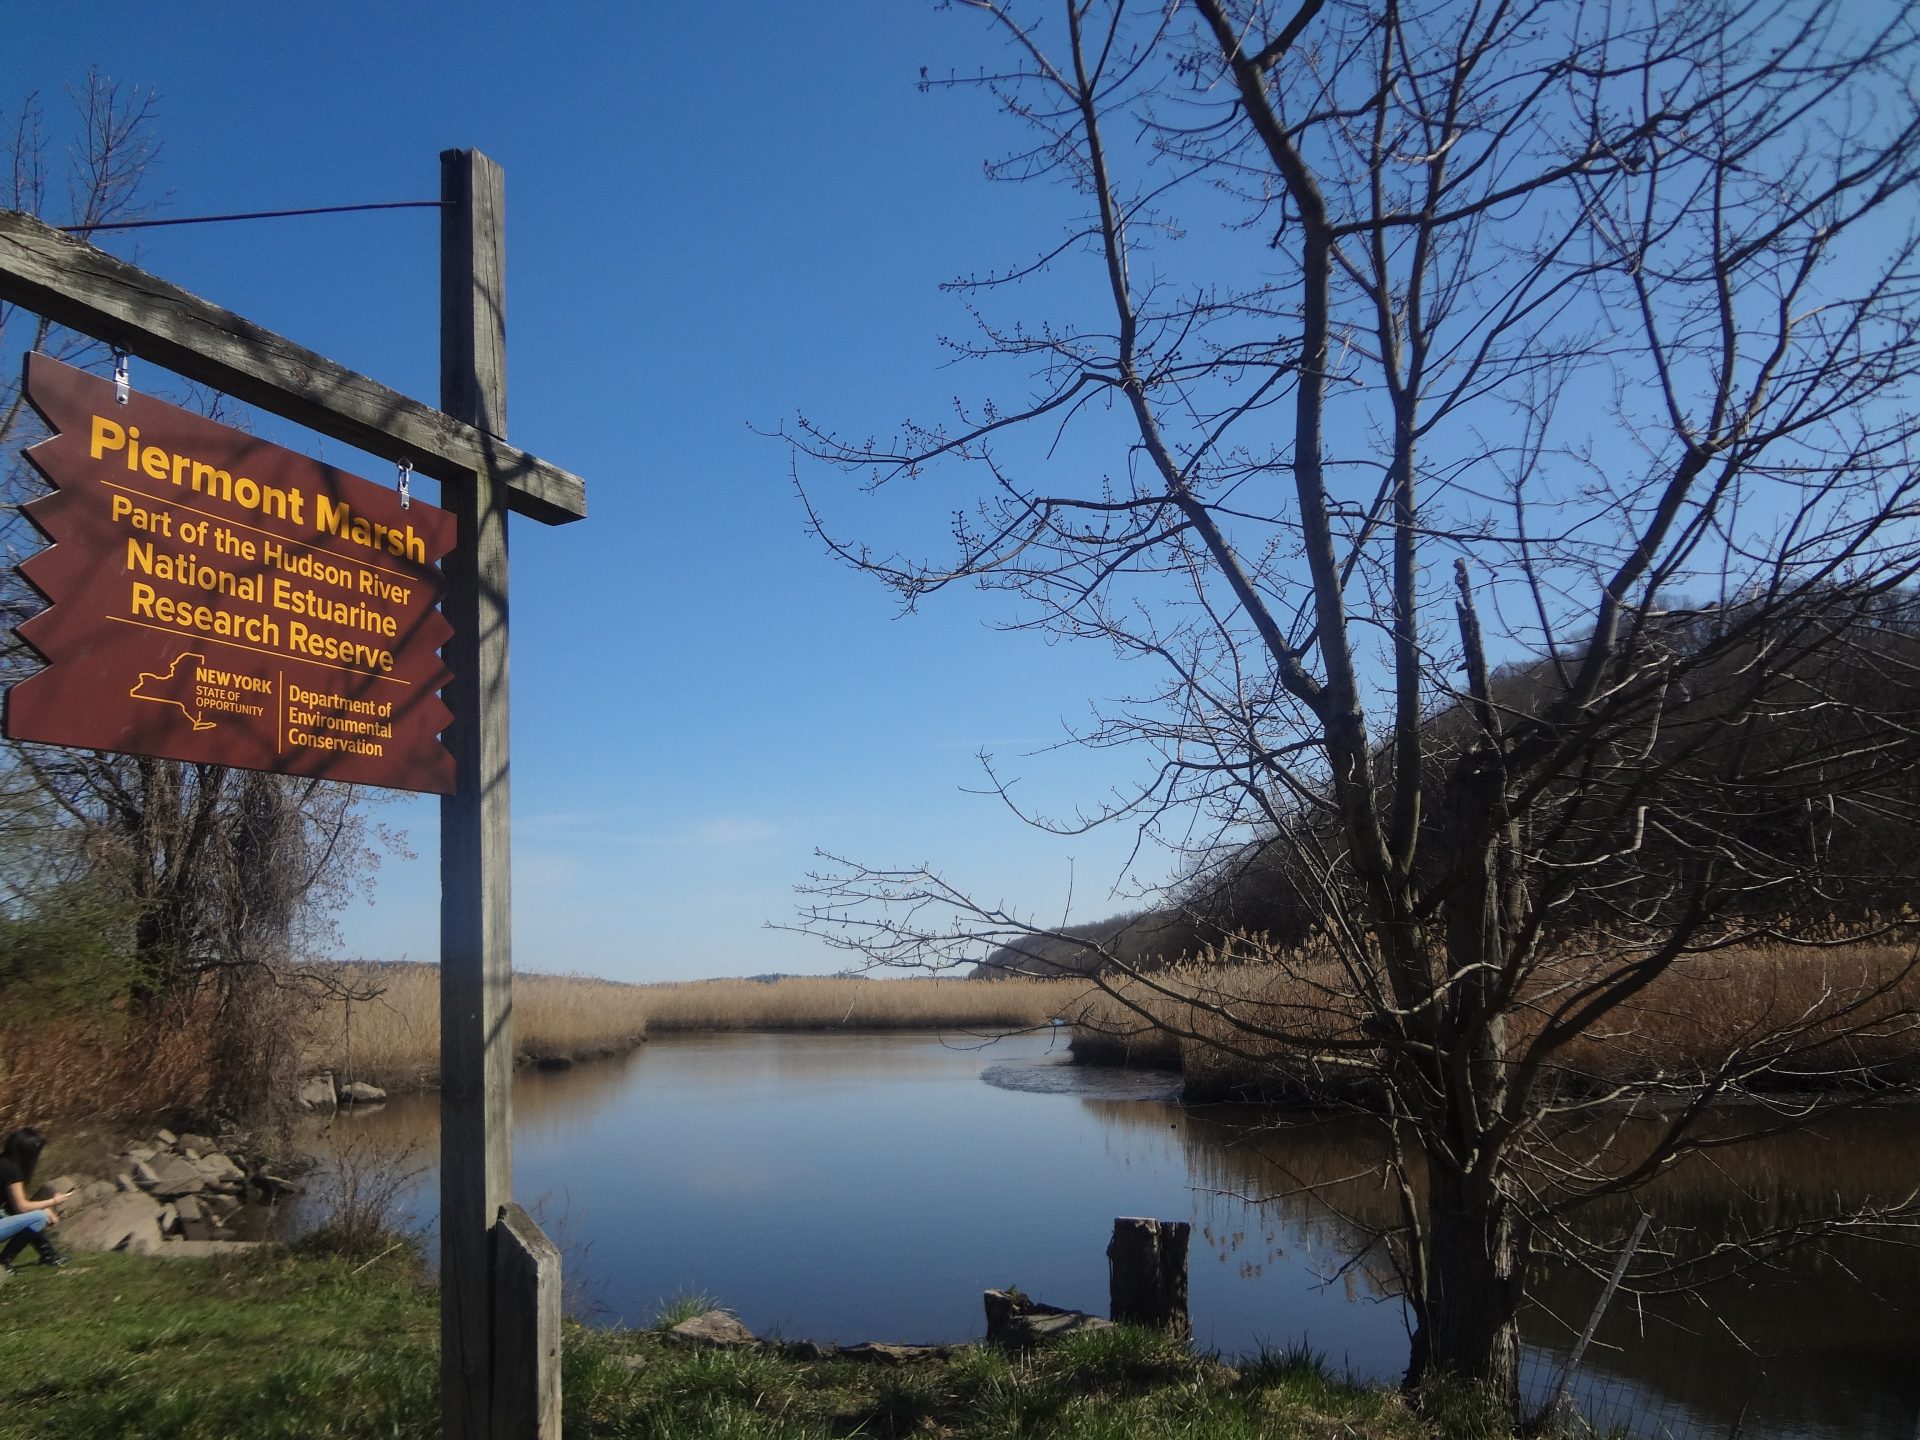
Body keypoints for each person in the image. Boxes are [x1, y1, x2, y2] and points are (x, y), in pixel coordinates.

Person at [0, 1127, 72, 1269]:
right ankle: (3, 1262)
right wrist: (53, 1202)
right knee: (38, 1217)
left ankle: (49, 1255)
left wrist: (44, 1207)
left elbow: (12, 1207)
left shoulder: (3, 1162)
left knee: (33, 1216)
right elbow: (21, 1207)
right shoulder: (12, 1170)